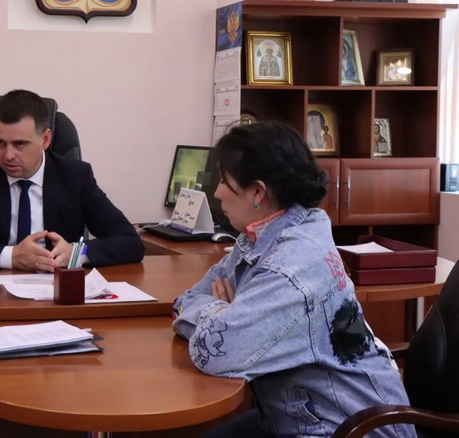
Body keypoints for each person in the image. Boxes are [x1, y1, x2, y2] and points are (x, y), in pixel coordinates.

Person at [172, 121, 413, 438]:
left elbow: (215, 353)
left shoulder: (291, 266)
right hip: (300, 415)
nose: (216, 193)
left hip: (346, 429)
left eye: (224, 181)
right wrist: (224, 315)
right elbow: (184, 302)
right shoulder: (259, 238)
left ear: (257, 192)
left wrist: (223, 314)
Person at [0, 89, 144, 272]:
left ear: (45, 139)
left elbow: (131, 242)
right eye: (0, 142)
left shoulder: (75, 176)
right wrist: (10, 256)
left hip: (56, 293)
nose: (8, 154)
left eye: (19, 144)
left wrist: (76, 253)